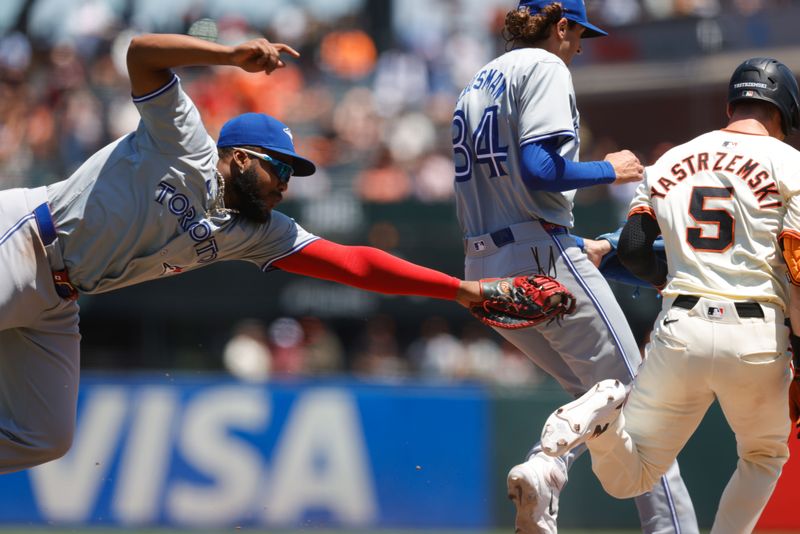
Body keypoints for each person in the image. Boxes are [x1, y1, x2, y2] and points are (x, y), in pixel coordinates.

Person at [0, 32, 496, 474]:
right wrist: (228, 56)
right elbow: (141, 53)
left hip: (59, 299)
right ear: (238, 157)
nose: (284, 185)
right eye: (277, 169)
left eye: (290, 176)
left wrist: (460, 290)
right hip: (27, 239)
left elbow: (354, 263)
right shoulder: (184, 143)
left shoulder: (256, 232)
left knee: (45, 435)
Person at [450, 1, 699, 532]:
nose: (580, 46)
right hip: (539, 252)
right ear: (560, 25)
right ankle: (551, 468)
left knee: (595, 405)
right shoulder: (545, 65)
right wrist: (611, 169)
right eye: (578, 33)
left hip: (483, 261)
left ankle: (547, 466)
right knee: (645, 409)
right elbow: (540, 169)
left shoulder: (478, 80)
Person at [539, 57, 800, 534]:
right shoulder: (792, 165)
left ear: (729, 106)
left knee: (631, 477)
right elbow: (799, 274)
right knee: (764, 455)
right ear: (784, 113)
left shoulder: (674, 159)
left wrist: (675, 277)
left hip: (680, 329)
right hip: (758, 335)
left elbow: (637, 248)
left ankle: (600, 419)